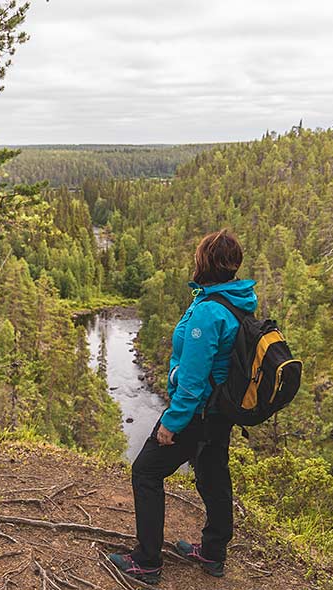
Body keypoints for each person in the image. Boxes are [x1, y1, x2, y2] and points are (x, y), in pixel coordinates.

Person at [107, 229, 256, 584]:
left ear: (203, 262)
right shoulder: (238, 300)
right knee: (213, 474)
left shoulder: (208, 313)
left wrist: (171, 423)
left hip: (198, 412)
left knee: (146, 472)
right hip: (221, 411)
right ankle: (213, 553)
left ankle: (146, 561)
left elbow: (192, 381)